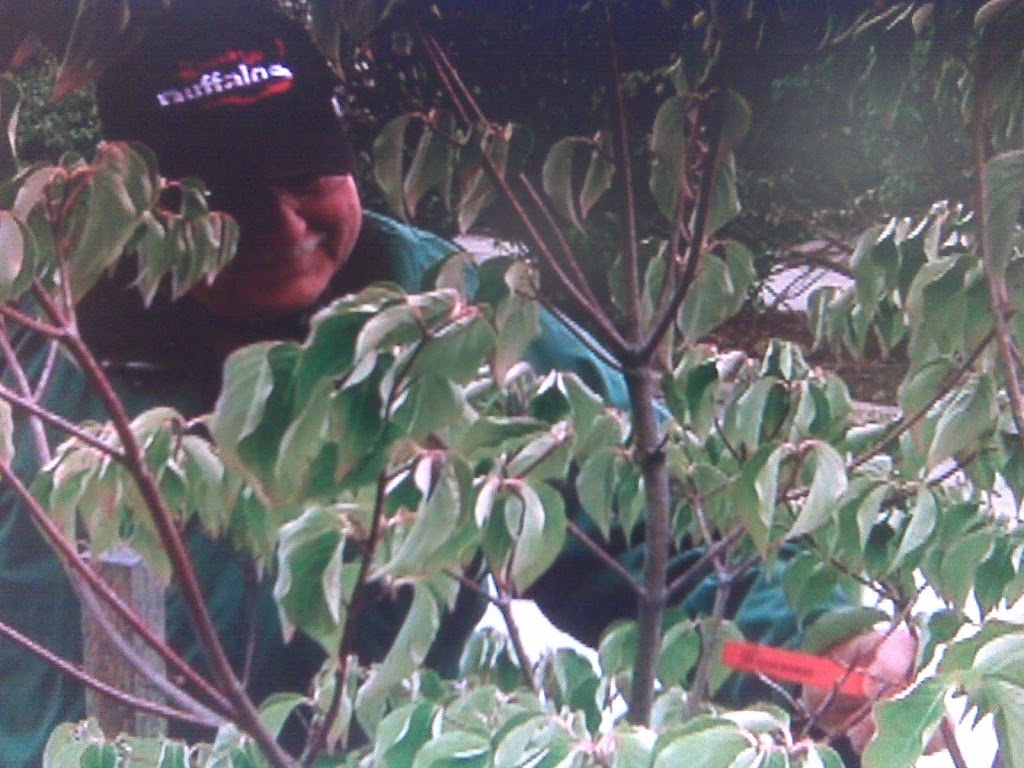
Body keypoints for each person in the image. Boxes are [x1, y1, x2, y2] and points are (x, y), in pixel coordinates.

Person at [0, 1, 911, 766]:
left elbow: (660, 549)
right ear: (142, 202)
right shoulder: (37, 343)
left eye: (305, 170)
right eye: (229, 193)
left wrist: (822, 659)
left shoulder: (459, 327)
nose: (282, 220)